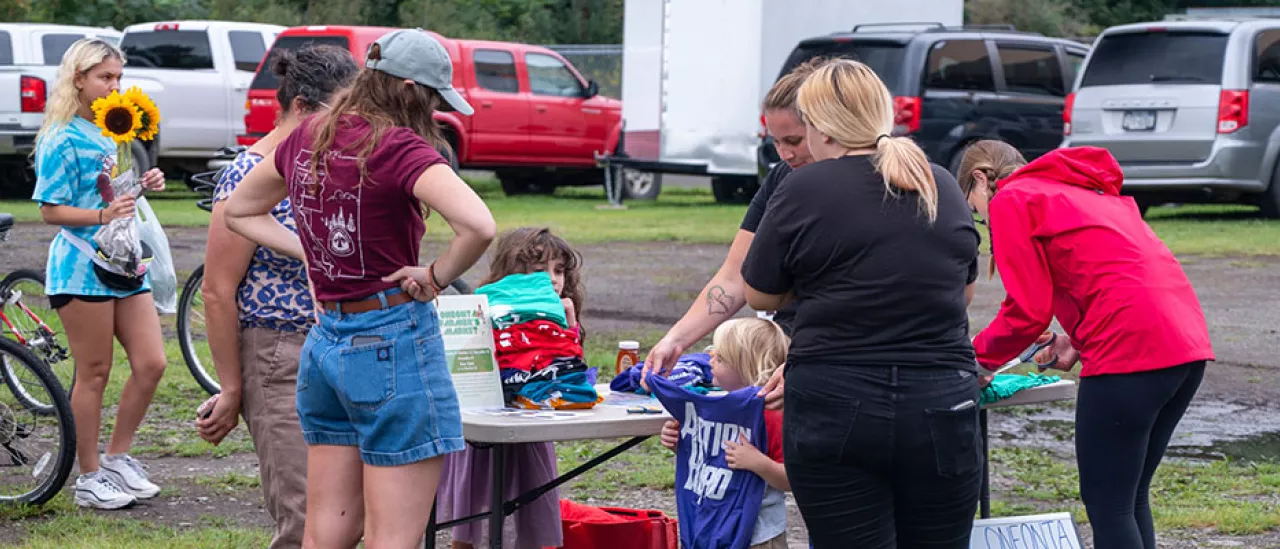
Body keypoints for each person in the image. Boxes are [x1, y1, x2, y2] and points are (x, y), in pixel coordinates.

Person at [223, 28, 496, 548]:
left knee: (328, 528)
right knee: (393, 536)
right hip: (392, 338)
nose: (438, 112)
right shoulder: (400, 148)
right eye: (436, 99)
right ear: (412, 90)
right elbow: (479, 226)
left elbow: (238, 210)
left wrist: (313, 249)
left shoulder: (309, 134)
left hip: (325, 340)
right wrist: (434, 277)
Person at [740, 58, 982, 548]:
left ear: (819, 127)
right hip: (940, 399)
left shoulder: (804, 187)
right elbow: (964, 291)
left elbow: (758, 293)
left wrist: (816, 284)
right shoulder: (939, 182)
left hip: (837, 399)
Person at [960, 140, 1215, 549]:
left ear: (980, 180)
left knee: (1109, 505)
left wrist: (973, 357)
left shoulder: (1012, 199)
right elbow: (1111, 272)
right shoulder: (1080, 192)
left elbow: (1027, 313)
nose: (983, 221)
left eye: (976, 212)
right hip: (1185, 347)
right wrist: (1078, 340)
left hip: (1130, 355)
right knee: (1128, 499)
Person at [195, 44, 358, 548]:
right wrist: (232, 388)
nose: (352, 123)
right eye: (342, 111)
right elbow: (218, 291)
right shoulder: (250, 173)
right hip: (278, 353)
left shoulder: (328, 162)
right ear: (303, 108)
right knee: (305, 517)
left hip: (338, 346)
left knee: (349, 516)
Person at [31, 37, 168, 510]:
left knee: (152, 362)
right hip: (80, 265)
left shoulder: (115, 131)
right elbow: (50, 211)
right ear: (79, 80)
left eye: (118, 77)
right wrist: (101, 219)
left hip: (124, 261)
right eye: (105, 77)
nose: (115, 85)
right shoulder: (60, 136)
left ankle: (117, 457)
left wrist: (145, 185)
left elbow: (113, 192)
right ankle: (88, 475)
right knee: (94, 372)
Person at [642, 57, 823, 396]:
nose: (784, 154)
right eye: (775, 142)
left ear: (824, 127)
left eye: (794, 141)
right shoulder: (784, 176)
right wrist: (676, 339)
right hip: (783, 351)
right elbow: (734, 275)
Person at [436, 227, 585, 549]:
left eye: (559, 270)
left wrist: (570, 327)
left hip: (532, 426)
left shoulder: (559, 309)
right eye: (538, 270)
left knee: (532, 505)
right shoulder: (489, 305)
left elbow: (569, 373)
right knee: (470, 517)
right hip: (482, 428)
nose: (552, 279)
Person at [657, 317, 790, 549]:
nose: (710, 362)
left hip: (759, 536)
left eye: (720, 358)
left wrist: (758, 463)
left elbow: (794, 478)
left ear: (747, 367)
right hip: (713, 526)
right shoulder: (716, 404)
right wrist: (681, 443)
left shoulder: (771, 414)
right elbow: (713, 456)